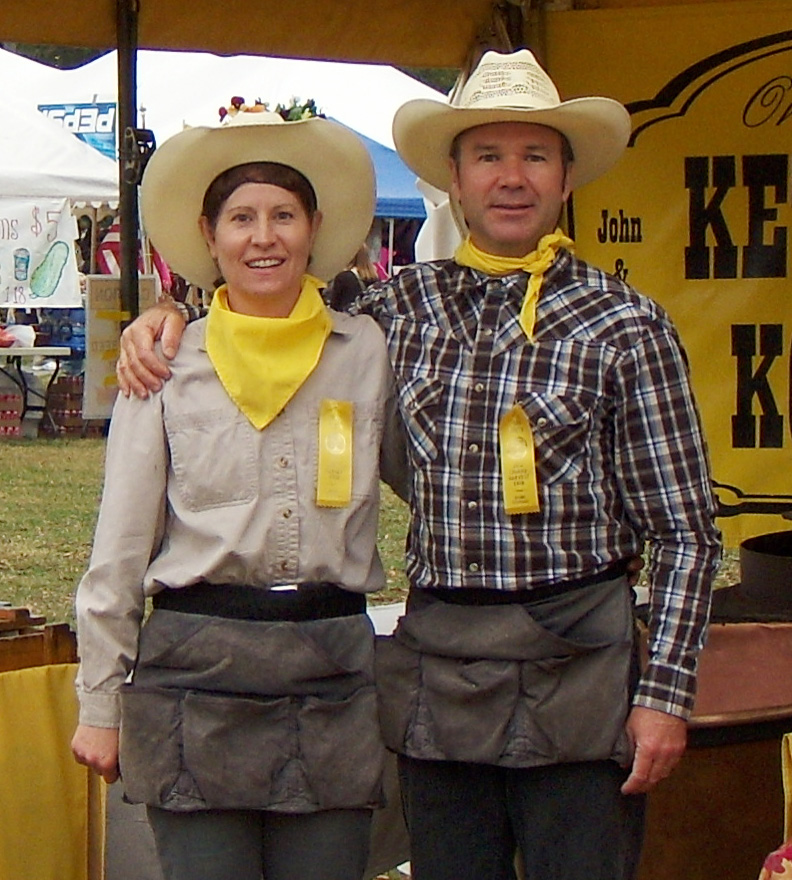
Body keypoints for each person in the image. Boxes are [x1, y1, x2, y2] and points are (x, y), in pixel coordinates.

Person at [114, 48, 722, 880]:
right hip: (440, 670)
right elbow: (266, 298)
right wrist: (168, 313)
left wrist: (665, 695)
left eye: (535, 156)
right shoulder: (395, 307)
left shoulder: (627, 324)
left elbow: (686, 535)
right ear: (454, 179)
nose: (512, 178)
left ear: (567, 177)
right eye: (489, 157)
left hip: (582, 665)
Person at [71, 109, 406, 880]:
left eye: (284, 216)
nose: (265, 238)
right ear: (208, 234)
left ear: (316, 228)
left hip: (331, 672)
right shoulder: (163, 359)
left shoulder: (366, 351)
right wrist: (99, 702)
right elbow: (119, 546)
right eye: (242, 218)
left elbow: (421, 476)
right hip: (198, 676)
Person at [325, 243, 379, 311]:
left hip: (347, 318)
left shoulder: (343, 277)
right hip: (367, 320)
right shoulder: (374, 278)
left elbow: (335, 306)